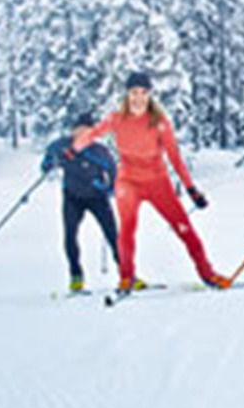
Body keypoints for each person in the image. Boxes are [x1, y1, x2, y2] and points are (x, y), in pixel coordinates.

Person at [72, 72, 231, 295]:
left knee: (184, 228)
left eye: (144, 93)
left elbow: (175, 158)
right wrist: (72, 149)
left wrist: (191, 189)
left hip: (158, 183)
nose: (139, 98)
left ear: (150, 96)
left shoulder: (159, 123)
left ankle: (208, 273)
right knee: (127, 230)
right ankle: (126, 278)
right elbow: (92, 134)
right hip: (129, 182)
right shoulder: (116, 119)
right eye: (134, 93)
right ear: (127, 95)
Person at [42, 112, 128, 293]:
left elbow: (113, 173)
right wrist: (54, 161)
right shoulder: (61, 146)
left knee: (114, 236)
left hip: (97, 198)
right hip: (72, 197)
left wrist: (108, 187)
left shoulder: (99, 151)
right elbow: (46, 164)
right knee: (70, 236)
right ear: (74, 130)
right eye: (80, 130)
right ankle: (76, 276)